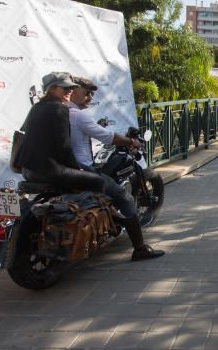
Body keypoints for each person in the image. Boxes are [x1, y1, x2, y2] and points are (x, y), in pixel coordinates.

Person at [68, 77, 165, 261]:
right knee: (124, 198)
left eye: (91, 93)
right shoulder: (77, 115)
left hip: (57, 168)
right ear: (71, 91)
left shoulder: (56, 111)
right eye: (85, 92)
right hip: (82, 169)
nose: (89, 97)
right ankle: (139, 248)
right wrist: (130, 141)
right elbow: (108, 137)